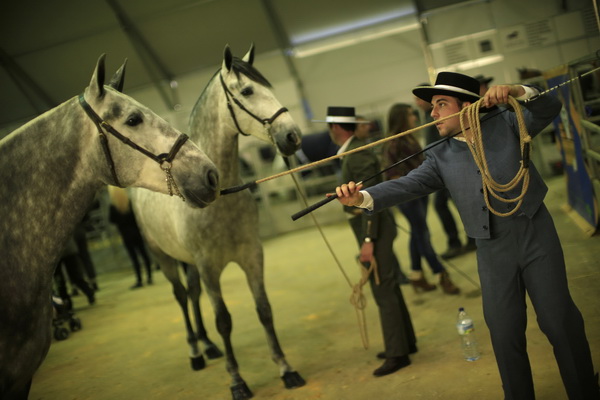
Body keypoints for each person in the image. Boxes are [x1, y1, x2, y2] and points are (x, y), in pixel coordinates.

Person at [333, 72, 599, 399]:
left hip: (534, 233)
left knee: (559, 322)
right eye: (431, 107)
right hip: (490, 248)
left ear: (467, 106)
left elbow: (550, 106)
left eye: (441, 105)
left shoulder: (508, 122)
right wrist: (359, 198)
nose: (431, 114)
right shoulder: (439, 154)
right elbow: (407, 184)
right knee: (504, 333)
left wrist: (517, 90)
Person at [320, 106, 415, 377]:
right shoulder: (355, 149)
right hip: (375, 229)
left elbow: (368, 199)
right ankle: (405, 342)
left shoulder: (356, 153)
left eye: (330, 127)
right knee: (389, 285)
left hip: (375, 229)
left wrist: (368, 239)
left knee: (382, 288)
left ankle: (398, 353)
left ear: (337, 128)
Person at [383, 103, 459, 295]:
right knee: (422, 234)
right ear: (401, 117)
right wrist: (410, 185)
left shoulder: (410, 137)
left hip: (420, 194)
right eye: (410, 115)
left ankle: (416, 275)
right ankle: (441, 273)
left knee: (418, 234)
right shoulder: (394, 142)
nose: (414, 118)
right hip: (408, 197)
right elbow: (392, 174)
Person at [415, 83, 476, 259]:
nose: (418, 103)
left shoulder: (438, 118)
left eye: (419, 99)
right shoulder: (429, 117)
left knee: (456, 204)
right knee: (445, 205)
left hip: (447, 168)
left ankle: (467, 239)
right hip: (438, 167)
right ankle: (459, 241)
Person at [107, 186, 153, 289]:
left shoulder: (113, 207)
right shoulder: (130, 202)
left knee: (134, 258)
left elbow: (111, 220)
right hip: (136, 233)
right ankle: (149, 277)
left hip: (126, 235)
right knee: (144, 254)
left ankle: (139, 280)